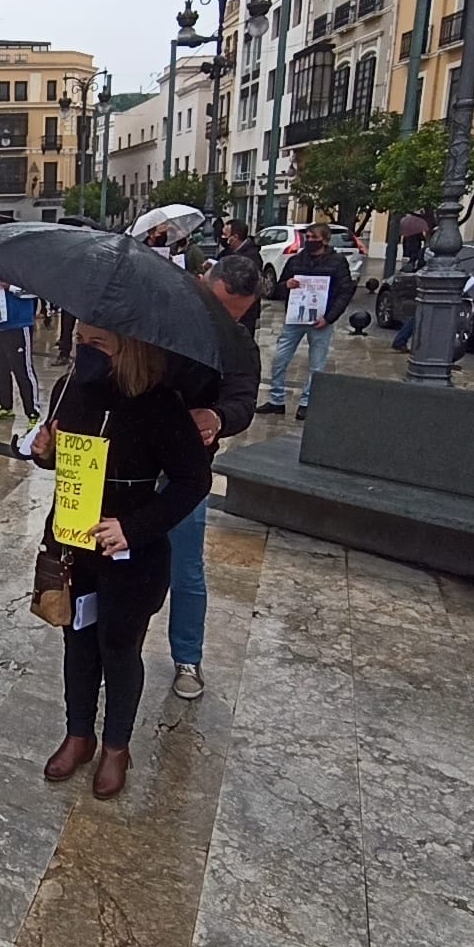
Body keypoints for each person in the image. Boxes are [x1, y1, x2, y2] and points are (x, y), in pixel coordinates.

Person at [29, 325, 212, 798]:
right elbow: (61, 457)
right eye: (80, 341)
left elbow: (194, 481)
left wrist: (133, 527)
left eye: (97, 344)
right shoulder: (69, 388)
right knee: (77, 640)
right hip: (74, 543)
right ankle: (79, 733)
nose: (83, 351)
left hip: (132, 554)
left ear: (127, 350)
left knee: (119, 645)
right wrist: (44, 453)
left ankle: (116, 746)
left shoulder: (160, 404)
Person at [156, 254, 264, 700]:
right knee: (116, 558)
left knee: (186, 568)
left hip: (187, 471)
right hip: (131, 462)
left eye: (235, 314)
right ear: (204, 282)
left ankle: (187, 656)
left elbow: (242, 401)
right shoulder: (159, 315)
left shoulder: (239, 345)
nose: (223, 320)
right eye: (218, 307)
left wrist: (218, 417)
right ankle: (111, 646)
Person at [257, 222, 352, 421]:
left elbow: (345, 292)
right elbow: (278, 288)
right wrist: (287, 285)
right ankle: (276, 400)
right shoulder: (296, 260)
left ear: (325, 240)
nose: (309, 241)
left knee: (317, 364)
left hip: (321, 319)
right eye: (307, 237)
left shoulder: (337, 262)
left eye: (314, 237)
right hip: (295, 317)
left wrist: (329, 317)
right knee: (279, 358)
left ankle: (307, 403)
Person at [0, 281, 41, 423]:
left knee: (22, 369)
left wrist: (10, 287)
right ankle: (5, 405)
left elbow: (35, 290)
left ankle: (33, 412)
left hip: (19, 323)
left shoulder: (24, 270)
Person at [391, 230, 429, 351]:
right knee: (420, 315)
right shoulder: (428, 251)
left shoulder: (425, 250)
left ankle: (404, 341)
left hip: (425, 285)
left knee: (419, 315)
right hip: (428, 287)